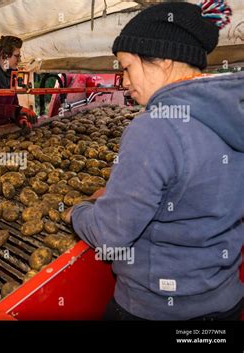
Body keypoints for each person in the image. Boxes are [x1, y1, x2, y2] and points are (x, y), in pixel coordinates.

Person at [66, 1, 243, 320]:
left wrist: (78, 212)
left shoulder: (154, 126)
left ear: (162, 60)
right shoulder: (233, 116)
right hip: (226, 301)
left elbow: (110, 234)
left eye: (127, 67)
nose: (125, 81)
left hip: (156, 309)